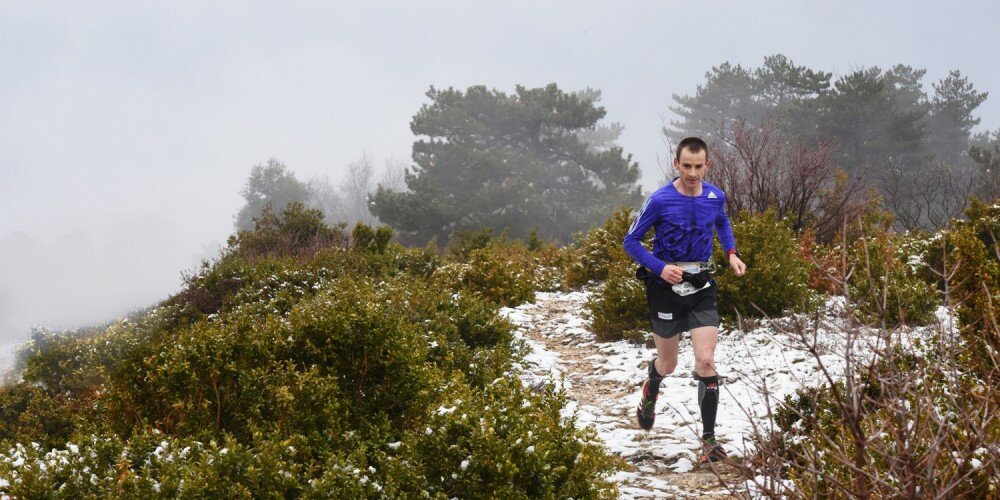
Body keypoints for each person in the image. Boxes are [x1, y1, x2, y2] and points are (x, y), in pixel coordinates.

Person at [622, 136, 746, 463]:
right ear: (676, 164)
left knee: (706, 361)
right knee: (669, 364)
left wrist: (731, 253)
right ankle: (652, 386)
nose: (693, 173)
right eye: (686, 166)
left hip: (702, 284)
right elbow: (631, 242)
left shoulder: (715, 196)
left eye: (699, 166)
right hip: (665, 287)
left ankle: (709, 441)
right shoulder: (660, 200)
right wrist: (661, 269)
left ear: (707, 165)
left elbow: (721, 221)